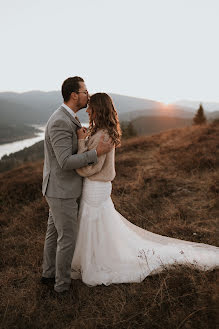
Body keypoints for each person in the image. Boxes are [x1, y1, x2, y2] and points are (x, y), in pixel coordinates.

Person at [71, 92, 219, 286]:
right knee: (99, 228)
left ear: (98, 109)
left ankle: (99, 261)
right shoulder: (102, 131)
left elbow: (89, 168)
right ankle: (94, 257)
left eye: (90, 107)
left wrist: (81, 142)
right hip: (98, 188)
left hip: (96, 188)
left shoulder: (103, 135)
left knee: (97, 226)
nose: (87, 110)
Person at [41, 77, 113, 293]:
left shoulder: (68, 118)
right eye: (84, 91)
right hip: (62, 190)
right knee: (67, 238)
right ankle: (62, 286)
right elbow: (64, 162)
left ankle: (48, 274)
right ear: (74, 95)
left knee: (54, 234)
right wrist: (95, 153)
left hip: (60, 188)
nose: (87, 95)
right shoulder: (60, 121)